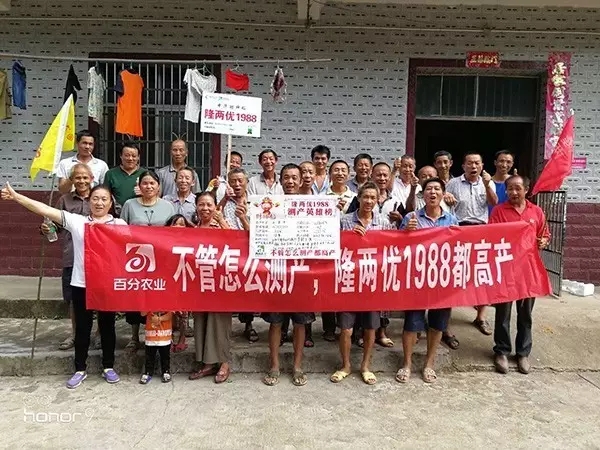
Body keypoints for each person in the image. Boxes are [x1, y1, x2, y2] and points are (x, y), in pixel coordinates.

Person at [1, 182, 125, 389]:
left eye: (104, 199)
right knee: (82, 328)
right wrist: (17, 197)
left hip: (107, 284)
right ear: (89, 202)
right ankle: (80, 369)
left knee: (107, 326)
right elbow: (45, 210)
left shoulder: (120, 225)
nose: (99, 203)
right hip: (81, 283)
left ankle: (108, 366)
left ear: (110, 203)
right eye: (95, 198)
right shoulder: (78, 222)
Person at [330, 181, 394, 386]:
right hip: (348, 281)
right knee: (346, 329)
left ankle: (366, 366)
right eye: (365, 197)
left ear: (377, 200)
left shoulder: (384, 222)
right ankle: (346, 366)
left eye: (372, 198)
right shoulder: (345, 221)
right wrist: (350, 237)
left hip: (372, 283)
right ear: (358, 198)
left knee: (370, 328)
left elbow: (391, 248)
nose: (368, 201)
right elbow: (332, 245)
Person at [396, 178, 458, 383]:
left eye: (437, 189)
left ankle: (429, 363)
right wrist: (406, 232)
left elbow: (459, 247)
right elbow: (398, 246)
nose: (433, 192)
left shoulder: (451, 220)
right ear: (423, 194)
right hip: (417, 278)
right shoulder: (412, 217)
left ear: (443, 194)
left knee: (438, 323)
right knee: (412, 323)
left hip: (443, 279)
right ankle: (406, 363)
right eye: (429, 189)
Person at [489, 175, 550, 375]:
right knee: (503, 314)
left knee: (525, 315)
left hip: (528, 271)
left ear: (526, 189)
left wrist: (543, 241)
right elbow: (491, 236)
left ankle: (523, 353)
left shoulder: (536, 211)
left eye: (518, 188)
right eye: (510, 189)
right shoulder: (499, 211)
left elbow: (544, 234)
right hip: (506, 270)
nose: (514, 192)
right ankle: (502, 351)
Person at [262, 163, 315, 387]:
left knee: (300, 323)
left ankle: (297, 366)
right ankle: (274, 365)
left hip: (302, 273)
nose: (290, 181)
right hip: (277, 271)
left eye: (294, 177)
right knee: (275, 322)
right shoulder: (269, 205)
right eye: (286, 177)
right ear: (280, 180)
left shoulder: (313, 207)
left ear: (301, 180)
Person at [41, 163, 100, 351]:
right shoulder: (64, 201)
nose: (82, 181)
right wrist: (47, 229)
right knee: (74, 300)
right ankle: (75, 334)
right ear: (72, 180)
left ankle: (99, 334)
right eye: (78, 177)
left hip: (99, 259)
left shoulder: (100, 198)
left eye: (85, 177)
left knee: (100, 297)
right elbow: (54, 227)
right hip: (72, 256)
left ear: (91, 179)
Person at [120, 170, 175, 351]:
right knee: (136, 297)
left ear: (158, 186)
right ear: (139, 186)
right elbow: (120, 230)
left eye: (152, 183)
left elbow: (174, 232)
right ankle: (134, 336)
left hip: (160, 260)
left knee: (159, 296)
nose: (149, 186)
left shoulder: (168, 206)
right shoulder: (129, 205)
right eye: (145, 183)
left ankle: (163, 333)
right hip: (135, 260)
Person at [446, 153, 498, 336]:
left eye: (477, 163)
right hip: (459, 230)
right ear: (463, 166)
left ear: (482, 165)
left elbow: (493, 202)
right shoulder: (453, 183)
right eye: (470, 163)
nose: (473, 166)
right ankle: (446, 320)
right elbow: (444, 203)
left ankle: (481, 317)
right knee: (454, 274)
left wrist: (487, 185)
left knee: (481, 274)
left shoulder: (488, 182)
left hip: (481, 231)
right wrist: (446, 196)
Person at [189, 191, 233, 384]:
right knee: (201, 321)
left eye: (209, 205)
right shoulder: (192, 229)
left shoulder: (221, 226)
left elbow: (236, 242)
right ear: (196, 207)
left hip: (221, 282)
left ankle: (224, 363)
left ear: (216, 207)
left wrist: (222, 221)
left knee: (219, 322)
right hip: (199, 282)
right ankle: (207, 363)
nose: (205, 208)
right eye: (201, 204)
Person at [222, 168, 258, 343]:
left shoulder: (256, 203)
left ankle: (248, 324)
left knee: (248, 290)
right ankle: (224, 328)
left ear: (247, 183)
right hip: (229, 253)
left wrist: (243, 218)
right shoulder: (225, 203)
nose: (237, 184)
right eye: (233, 181)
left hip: (251, 252)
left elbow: (258, 232)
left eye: (240, 181)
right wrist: (223, 200)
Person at [165, 214, 195, 352]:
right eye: (175, 223)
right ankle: (169, 338)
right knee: (169, 311)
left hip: (184, 280)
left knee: (184, 312)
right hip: (169, 280)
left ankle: (182, 339)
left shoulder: (191, 240)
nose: (178, 227)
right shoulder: (162, 240)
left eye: (182, 224)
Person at [57, 130, 109, 194]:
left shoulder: (101, 165)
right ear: (77, 143)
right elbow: (62, 190)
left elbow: (105, 190)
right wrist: (72, 177)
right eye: (84, 143)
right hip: (71, 199)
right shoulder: (65, 163)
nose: (87, 147)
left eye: (90, 144)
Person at [103, 141, 145, 216]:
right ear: (121, 156)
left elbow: (155, 196)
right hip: (117, 215)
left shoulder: (145, 174)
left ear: (138, 157)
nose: (130, 158)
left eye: (134, 156)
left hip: (141, 214)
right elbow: (105, 195)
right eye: (127, 155)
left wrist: (144, 193)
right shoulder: (111, 174)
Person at [140, 311, 173, 384]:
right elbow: (142, 313)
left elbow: (170, 315)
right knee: (149, 355)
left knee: (165, 355)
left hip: (164, 334)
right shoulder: (147, 303)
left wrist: (159, 318)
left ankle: (166, 371)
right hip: (151, 335)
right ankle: (148, 372)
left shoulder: (169, 303)